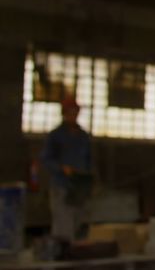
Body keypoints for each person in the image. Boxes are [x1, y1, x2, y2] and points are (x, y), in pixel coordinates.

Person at [40, 97, 92, 241]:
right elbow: (46, 159)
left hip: (79, 186)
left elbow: (89, 160)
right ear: (64, 113)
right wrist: (62, 168)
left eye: (76, 112)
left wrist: (89, 181)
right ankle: (61, 252)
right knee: (63, 222)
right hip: (62, 185)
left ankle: (75, 252)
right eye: (70, 112)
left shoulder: (83, 136)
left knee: (79, 220)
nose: (73, 115)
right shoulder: (56, 136)